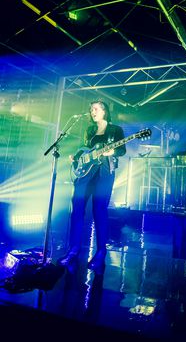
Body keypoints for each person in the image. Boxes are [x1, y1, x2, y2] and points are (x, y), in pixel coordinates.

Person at [58, 100, 126, 274]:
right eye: (90, 109)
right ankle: (73, 250)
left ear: (104, 111)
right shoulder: (89, 130)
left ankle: (101, 252)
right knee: (77, 208)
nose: (92, 111)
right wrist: (77, 157)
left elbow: (122, 150)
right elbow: (86, 148)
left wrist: (113, 151)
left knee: (99, 211)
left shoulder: (115, 130)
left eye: (95, 109)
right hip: (86, 174)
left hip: (104, 173)